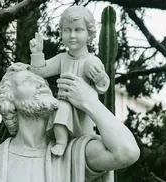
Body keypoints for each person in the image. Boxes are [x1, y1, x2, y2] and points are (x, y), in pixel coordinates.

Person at [0, 62, 140, 182]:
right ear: (10, 100)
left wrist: (90, 102)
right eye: (27, 81)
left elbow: (127, 152)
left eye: (42, 81)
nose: (40, 83)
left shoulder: (73, 154)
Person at [30, 6, 110, 156]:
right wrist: (37, 54)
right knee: (61, 107)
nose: (72, 35)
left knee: (80, 142)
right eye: (67, 30)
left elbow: (102, 87)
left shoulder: (92, 61)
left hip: (83, 112)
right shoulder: (62, 58)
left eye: (78, 30)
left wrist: (100, 79)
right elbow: (40, 71)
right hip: (63, 104)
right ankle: (61, 141)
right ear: (61, 33)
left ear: (89, 33)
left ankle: (67, 143)